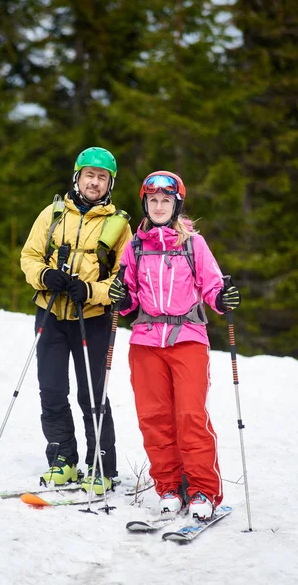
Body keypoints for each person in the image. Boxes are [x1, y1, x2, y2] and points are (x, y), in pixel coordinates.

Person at [108, 170, 241, 519]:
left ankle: (201, 491)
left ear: (176, 203)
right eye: (153, 200)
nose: (159, 205)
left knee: (190, 416)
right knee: (154, 418)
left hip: (187, 339)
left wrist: (223, 299)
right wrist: (120, 300)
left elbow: (212, 286)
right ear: (146, 203)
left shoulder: (193, 243)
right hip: (146, 340)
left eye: (166, 200)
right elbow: (128, 296)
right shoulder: (135, 246)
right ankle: (168, 486)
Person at [21, 147, 132, 494]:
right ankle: (62, 460)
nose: (94, 182)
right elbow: (29, 257)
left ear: (109, 183)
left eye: (102, 177)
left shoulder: (119, 227)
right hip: (51, 311)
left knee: (92, 395)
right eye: (89, 175)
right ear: (77, 177)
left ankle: (102, 466)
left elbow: (122, 280)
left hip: (93, 317)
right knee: (52, 390)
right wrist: (45, 275)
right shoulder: (53, 213)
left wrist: (91, 290)